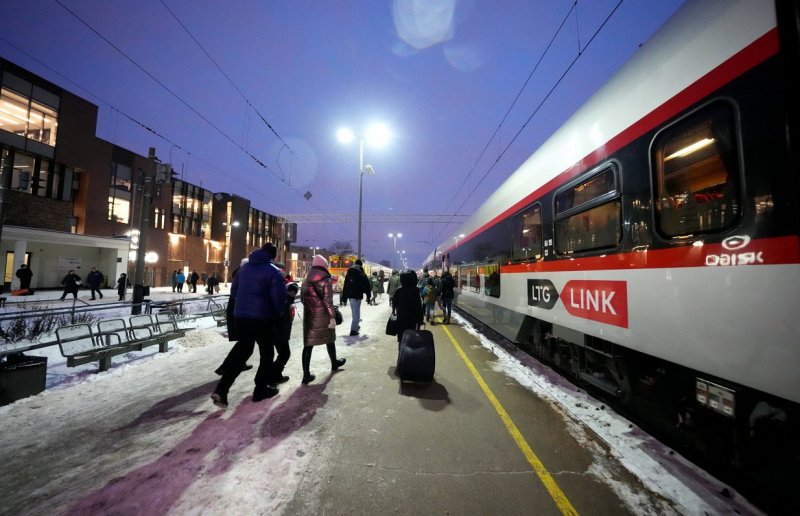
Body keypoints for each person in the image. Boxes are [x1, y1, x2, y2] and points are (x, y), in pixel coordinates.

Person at [211, 243, 286, 408]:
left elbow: (234, 292)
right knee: (267, 353)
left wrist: (245, 306)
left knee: (242, 353)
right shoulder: (274, 272)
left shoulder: (244, 269)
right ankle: (260, 389)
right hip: (262, 319)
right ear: (273, 255)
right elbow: (279, 299)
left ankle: (221, 390)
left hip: (241, 318)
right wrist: (277, 313)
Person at [300, 255, 345, 384]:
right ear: (324, 265)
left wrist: (312, 308)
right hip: (324, 316)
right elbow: (328, 301)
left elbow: (303, 299)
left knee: (308, 344)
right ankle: (334, 363)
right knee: (330, 339)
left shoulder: (306, 279)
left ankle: (306, 374)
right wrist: (332, 317)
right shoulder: (325, 279)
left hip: (310, 316)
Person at [214, 259, 252, 376]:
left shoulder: (239, 275)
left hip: (238, 313)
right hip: (241, 315)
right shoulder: (244, 277)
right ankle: (226, 367)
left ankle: (231, 365)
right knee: (245, 344)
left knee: (244, 343)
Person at [273, 282, 299, 384]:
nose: (293, 294)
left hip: (281, 332)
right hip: (279, 333)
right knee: (284, 354)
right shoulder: (284, 301)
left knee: (283, 354)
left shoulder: (287, 301)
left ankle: (274, 374)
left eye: (294, 292)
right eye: (291, 291)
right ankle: (274, 375)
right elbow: (281, 318)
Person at [392, 269, 424, 344]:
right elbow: (418, 306)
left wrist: (393, 312)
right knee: (411, 336)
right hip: (412, 318)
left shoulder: (399, 290)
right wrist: (420, 320)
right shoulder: (416, 291)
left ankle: (401, 349)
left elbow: (394, 303)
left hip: (401, 317)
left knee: (401, 337)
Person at [341, 259, 371, 336]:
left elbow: (345, 286)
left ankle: (356, 326)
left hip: (350, 297)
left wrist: (344, 299)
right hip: (357, 297)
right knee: (356, 315)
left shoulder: (349, 273)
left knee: (354, 313)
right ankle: (353, 330)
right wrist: (368, 297)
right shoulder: (361, 273)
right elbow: (367, 286)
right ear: (361, 265)